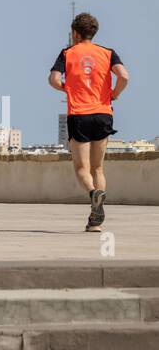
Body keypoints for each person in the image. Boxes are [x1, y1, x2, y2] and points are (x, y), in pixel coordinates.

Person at [49, 12, 129, 232]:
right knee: (98, 168)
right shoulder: (107, 53)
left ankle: (94, 195)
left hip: (79, 114)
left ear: (74, 33)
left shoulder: (67, 53)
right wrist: (114, 93)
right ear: (93, 32)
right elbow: (124, 76)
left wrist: (67, 87)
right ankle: (96, 222)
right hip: (103, 113)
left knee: (82, 168)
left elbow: (54, 80)